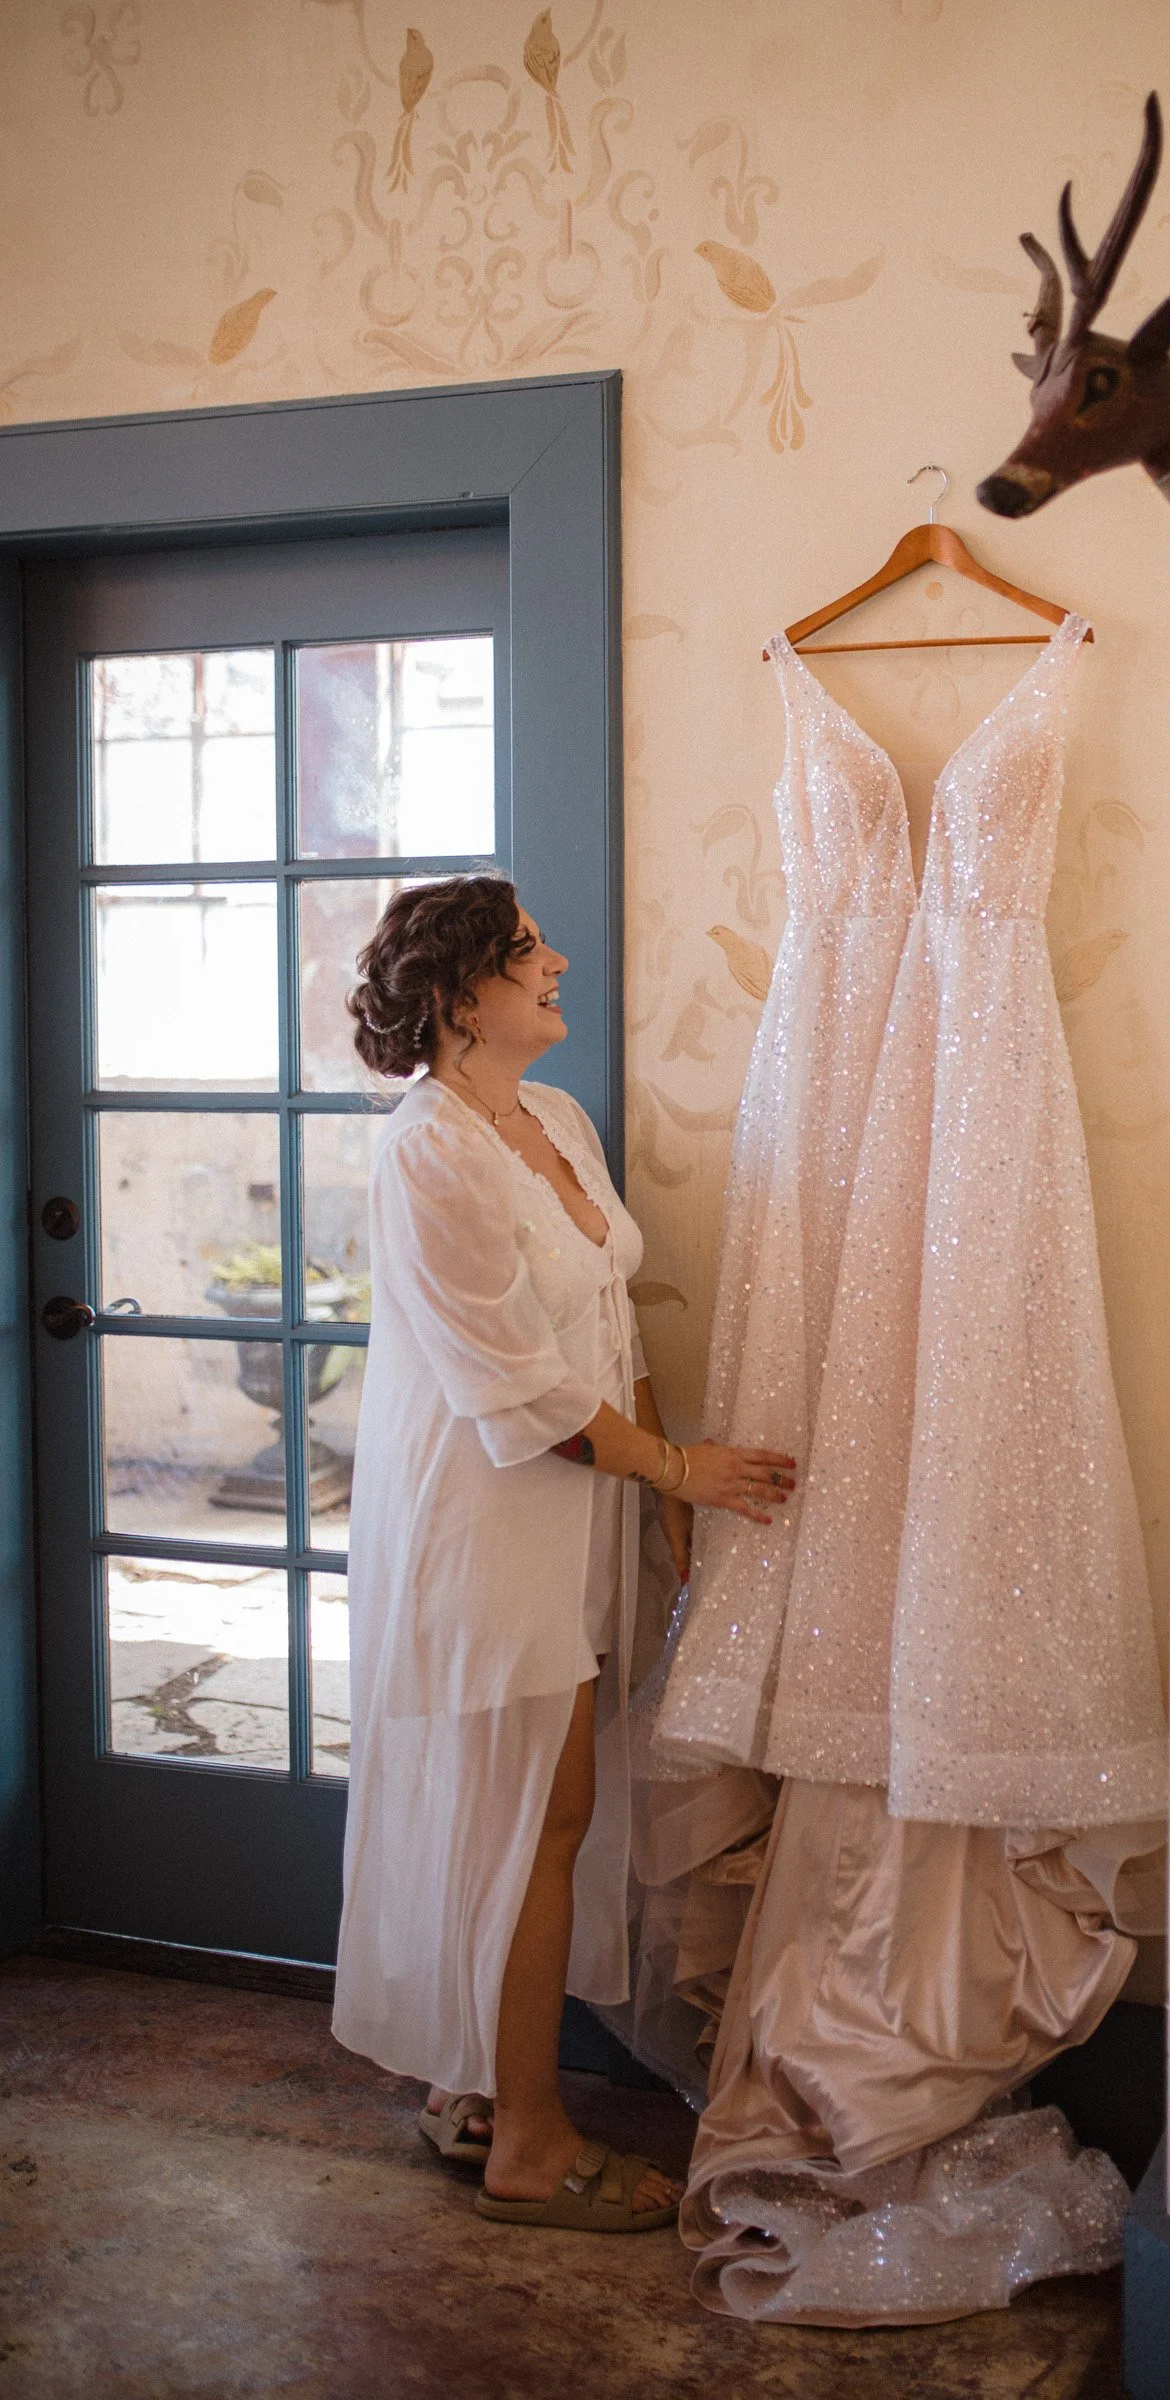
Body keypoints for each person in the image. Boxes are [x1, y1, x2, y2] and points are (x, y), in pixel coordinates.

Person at [329, 874, 793, 2232]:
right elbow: (516, 1384)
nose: (562, 963)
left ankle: (471, 2091)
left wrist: (659, 1489)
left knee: (535, 1815)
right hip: (482, 1521)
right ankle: (527, 2135)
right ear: (461, 998)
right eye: (531, 954)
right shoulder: (427, 1154)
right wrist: (681, 1465)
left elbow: (608, 1315)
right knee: (536, 1818)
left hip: (577, 1506)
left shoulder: (557, 1120)